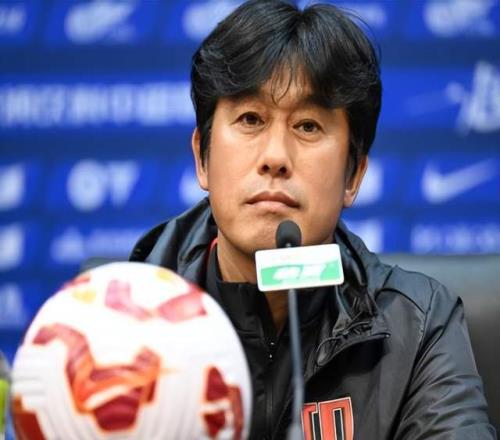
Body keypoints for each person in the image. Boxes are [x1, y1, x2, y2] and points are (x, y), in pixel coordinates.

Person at [131, 1, 496, 438]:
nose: (275, 157)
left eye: (307, 126)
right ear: (202, 157)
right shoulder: (123, 325)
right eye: (250, 119)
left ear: (353, 175)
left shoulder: (418, 325)